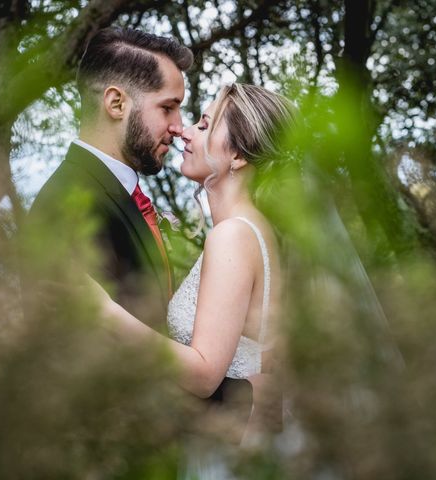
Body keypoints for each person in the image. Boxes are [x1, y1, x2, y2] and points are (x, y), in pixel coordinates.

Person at [23, 28, 252, 409]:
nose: (179, 125)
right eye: (168, 107)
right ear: (116, 104)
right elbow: (100, 373)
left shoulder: (112, 196)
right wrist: (246, 398)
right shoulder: (67, 207)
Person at [94, 83, 294, 440]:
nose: (184, 132)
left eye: (203, 126)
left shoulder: (232, 235)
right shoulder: (256, 231)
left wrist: (101, 311)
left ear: (237, 157)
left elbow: (203, 375)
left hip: (225, 447)